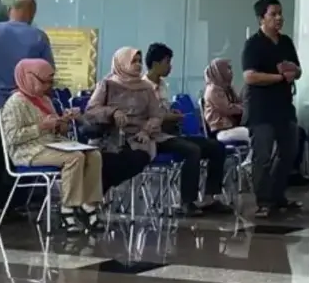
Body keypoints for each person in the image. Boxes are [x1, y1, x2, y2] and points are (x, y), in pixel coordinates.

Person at [88, 47, 230, 217]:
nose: (138, 65)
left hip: (152, 135)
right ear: (121, 63)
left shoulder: (145, 88)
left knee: (211, 147)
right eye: (133, 61)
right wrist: (113, 112)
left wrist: (147, 130)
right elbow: (91, 111)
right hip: (122, 137)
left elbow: (156, 115)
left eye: (139, 61)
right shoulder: (107, 85)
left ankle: (208, 198)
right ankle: (187, 202)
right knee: (191, 150)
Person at [0, 0, 55, 223]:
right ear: (32, 13)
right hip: (22, 105)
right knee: (18, 152)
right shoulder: (39, 37)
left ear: (10, 9)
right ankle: (9, 203)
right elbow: (47, 75)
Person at [0, 59, 103, 233]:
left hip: (53, 145)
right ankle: (68, 209)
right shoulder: (15, 103)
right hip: (28, 150)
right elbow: (13, 138)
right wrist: (41, 127)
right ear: (29, 78)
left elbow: (59, 132)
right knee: (75, 158)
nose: (48, 86)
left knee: (94, 155)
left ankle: (88, 204)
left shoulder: (45, 100)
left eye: (50, 82)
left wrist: (64, 121)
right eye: (44, 82)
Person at [242, 0, 303, 217]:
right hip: (261, 109)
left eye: (280, 14)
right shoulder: (254, 44)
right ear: (262, 18)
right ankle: (263, 201)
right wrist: (278, 77)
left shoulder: (285, 42)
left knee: (289, 151)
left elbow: (297, 70)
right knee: (263, 155)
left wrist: (293, 72)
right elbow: (249, 76)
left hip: (284, 107)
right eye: (273, 14)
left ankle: (278, 195)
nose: (279, 18)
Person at [202, 58, 250, 145]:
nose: (231, 72)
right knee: (253, 134)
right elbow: (228, 109)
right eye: (228, 69)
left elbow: (238, 103)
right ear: (219, 71)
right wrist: (244, 108)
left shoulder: (227, 88)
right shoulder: (213, 90)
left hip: (232, 127)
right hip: (221, 130)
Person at [143, 43, 185, 130]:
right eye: (167, 62)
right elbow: (146, 116)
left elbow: (163, 110)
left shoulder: (163, 85)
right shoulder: (142, 87)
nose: (170, 67)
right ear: (155, 64)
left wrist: (171, 112)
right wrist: (167, 117)